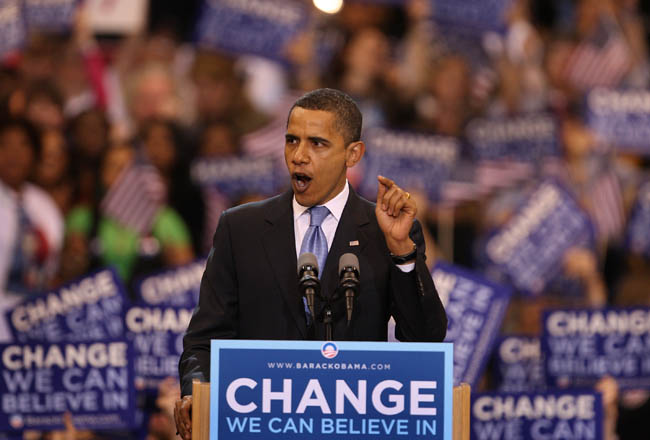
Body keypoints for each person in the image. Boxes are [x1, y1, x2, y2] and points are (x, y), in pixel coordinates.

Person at [174, 88, 447, 439]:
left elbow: (425, 341)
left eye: (317, 144)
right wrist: (195, 390)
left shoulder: (386, 231)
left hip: (353, 427)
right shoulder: (239, 228)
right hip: (261, 427)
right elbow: (205, 339)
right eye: (291, 140)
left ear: (353, 153)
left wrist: (402, 253)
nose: (298, 156)